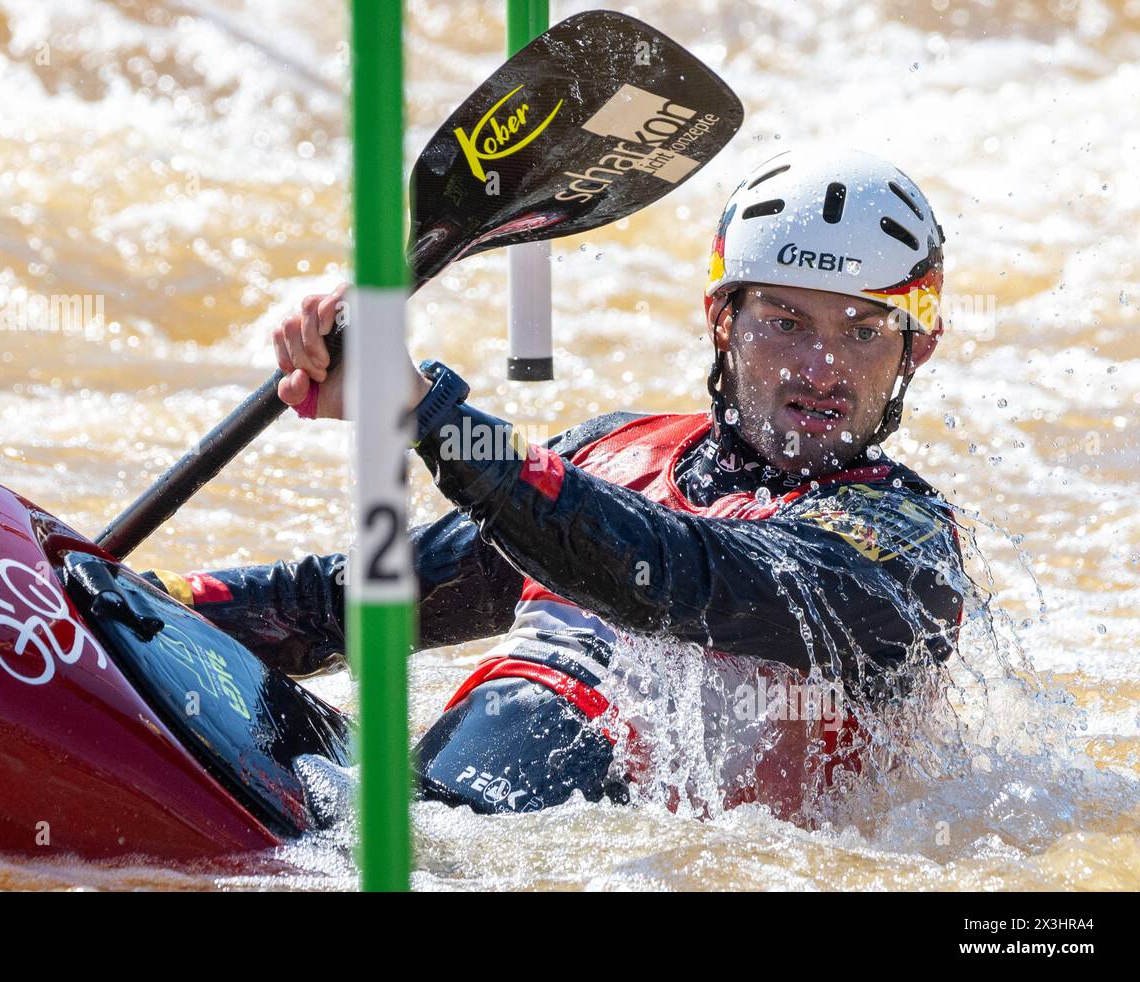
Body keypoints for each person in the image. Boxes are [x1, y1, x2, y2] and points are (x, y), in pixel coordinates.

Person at [146, 148, 967, 823]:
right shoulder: (615, 453)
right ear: (723, 320)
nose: (821, 369)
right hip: (407, 820)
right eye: (785, 322)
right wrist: (137, 600)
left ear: (916, 349)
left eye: (863, 331)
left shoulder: (906, 545)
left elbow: (670, 574)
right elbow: (352, 603)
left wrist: (426, 413)